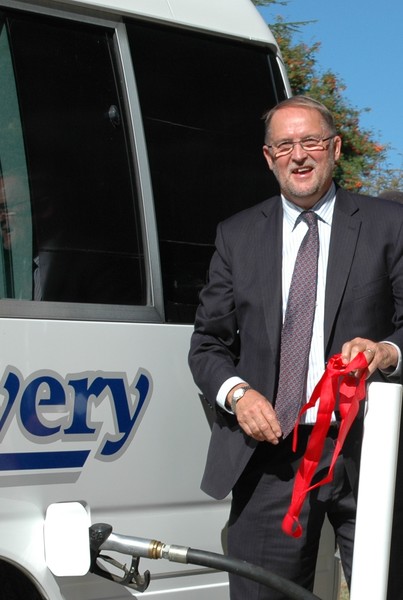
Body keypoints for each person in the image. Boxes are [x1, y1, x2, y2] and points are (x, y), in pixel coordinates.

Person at [188, 95, 403, 599]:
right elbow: (206, 345)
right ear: (268, 157)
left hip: (372, 452)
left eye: (310, 142)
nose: (298, 155)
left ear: (335, 148)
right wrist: (239, 395)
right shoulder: (237, 235)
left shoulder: (389, 225)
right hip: (270, 456)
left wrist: (387, 354)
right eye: (284, 145)